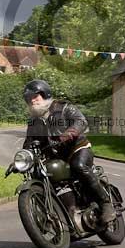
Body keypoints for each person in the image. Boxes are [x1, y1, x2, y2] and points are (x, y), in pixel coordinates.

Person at [22, 79, 116, 224]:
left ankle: (105, 204)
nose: (32, 101)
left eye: (35, 96)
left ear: (45, 94)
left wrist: (69, 133)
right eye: (29, 98)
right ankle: (65, 215)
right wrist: (22, 159)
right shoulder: (34, 121)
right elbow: (29, 142)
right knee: (41, 177)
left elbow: (81, 121)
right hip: (56, 157)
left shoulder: (63, 107)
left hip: (77, 148)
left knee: (78, 166)